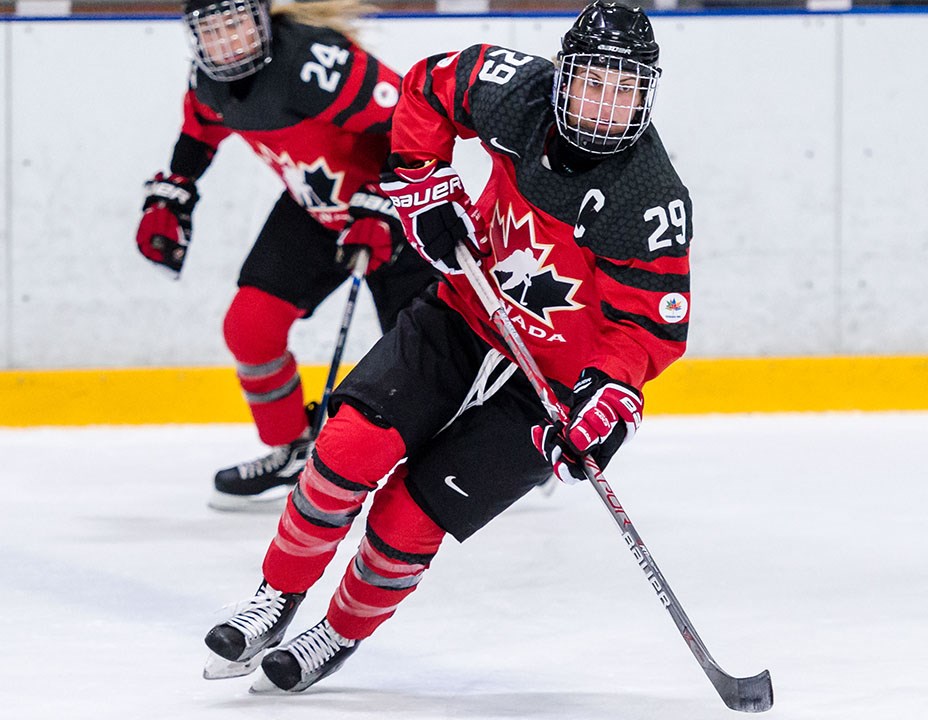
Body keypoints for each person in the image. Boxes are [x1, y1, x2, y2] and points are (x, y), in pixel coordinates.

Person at [201, 1, 693, 693]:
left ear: (647, 94)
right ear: (562, 74)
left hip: (549, 382)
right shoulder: (515, 92)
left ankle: (336, 633)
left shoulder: (650, 197)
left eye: (624, 89)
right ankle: (275, 598)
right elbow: (428, 86)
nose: (605, 106)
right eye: (592, 82)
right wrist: (422, 181)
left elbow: (650, 329)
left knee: (410, 513)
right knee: (344, 449)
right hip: (467, 310)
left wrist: (607, 396)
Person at [135, 0, 435, 511]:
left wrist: (385, 198)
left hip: (402, 211)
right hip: (314, 209)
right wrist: (176, 188)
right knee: (250, 327)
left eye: (236, 25)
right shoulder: (209, 79)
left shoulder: (313, 60)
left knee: (428, 358)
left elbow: (412, 119)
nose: (226, 42)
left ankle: (488, 446)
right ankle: (294, 449)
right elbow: (200, 129)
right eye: (212, 31)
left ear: (263, 19)